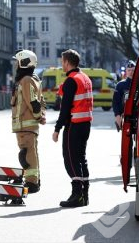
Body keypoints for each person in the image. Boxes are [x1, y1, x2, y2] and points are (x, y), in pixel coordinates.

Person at [52, 49, 93, 207]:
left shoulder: (71, 80)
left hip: (74, 124)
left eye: (62, 61)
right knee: (81, 158)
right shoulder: (85, 77)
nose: (61, 64)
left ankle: (77, 195)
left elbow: (65, 108)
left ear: (67, 62)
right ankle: (84, 195)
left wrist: (57, 129)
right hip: (86, 124)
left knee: (70, 159)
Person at [11, 50, 46, 194]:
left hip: (25, 125)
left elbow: (33, 102)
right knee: (31, 153)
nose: (15, 65)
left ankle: (32, 183)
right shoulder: (33, 80)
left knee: (27, 154)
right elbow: (41, 102)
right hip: (27, 126)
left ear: (23, 63)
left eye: (17, 62)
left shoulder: (26, 80)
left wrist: (38, 116)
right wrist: (41, 116)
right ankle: (34, 179)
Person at [112, 61, 136, 131]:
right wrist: (117, 115)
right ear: (126, 71)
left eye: (133, 70)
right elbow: (115, 102)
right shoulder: (120, 85)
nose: (131, 72)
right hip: (125, 116)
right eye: (129, 70)